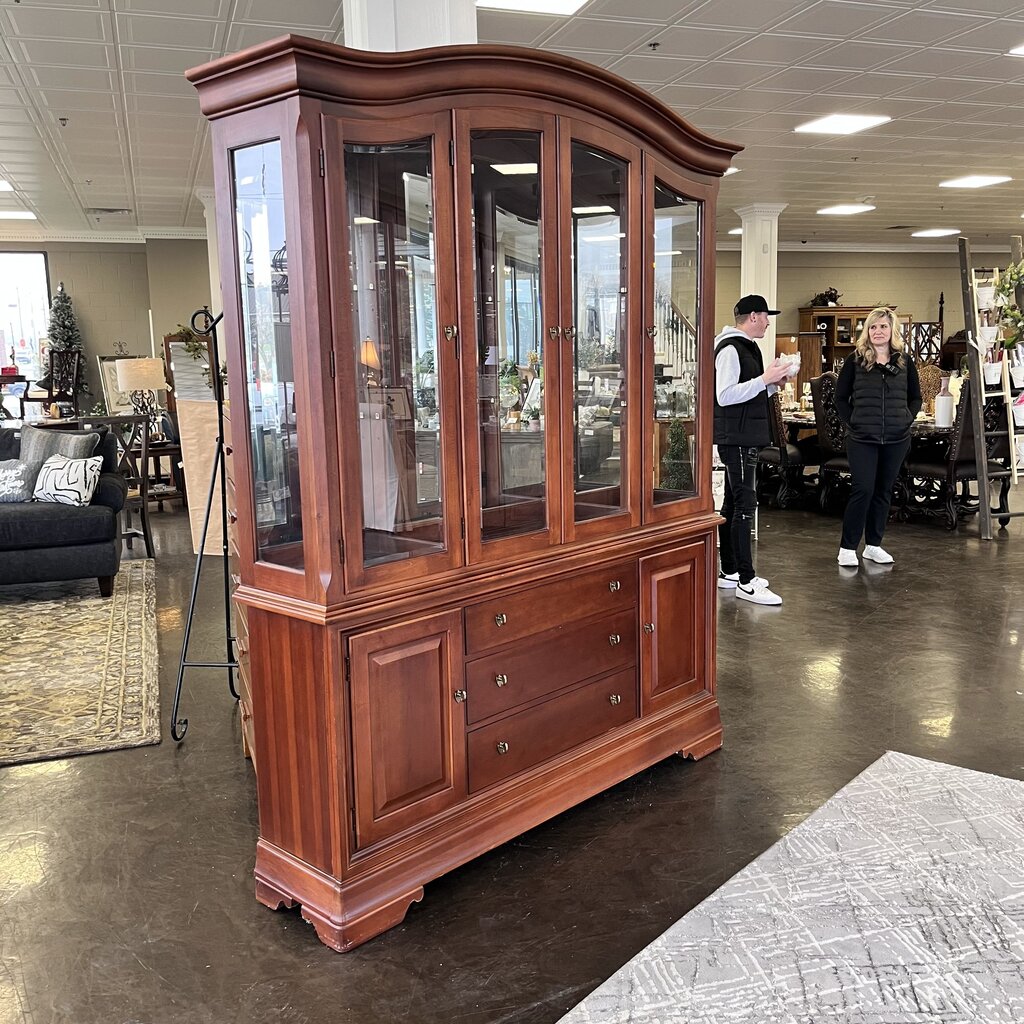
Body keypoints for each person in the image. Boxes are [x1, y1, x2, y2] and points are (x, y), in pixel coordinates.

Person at [714, 295, 792, 606]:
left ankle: (730, 571)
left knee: (733, 504)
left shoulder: (747, 347)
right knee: (745, 505)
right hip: (737, 437)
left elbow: (747, 391)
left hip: (743, 435)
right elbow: (724, 395)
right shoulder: (730, 349)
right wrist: (763, 379)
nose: (768, 322)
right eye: (765, 316)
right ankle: (746, 581)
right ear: (753, 316)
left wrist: (772, 383)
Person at [834, 306, 921, 567]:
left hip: (896, 438)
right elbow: (840, 398)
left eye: (883, 326)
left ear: (893, 330)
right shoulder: (855, 360)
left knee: (883, 491)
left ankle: (873, 545)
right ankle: (848, 547)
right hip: (862, 438)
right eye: (873, 326)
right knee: (863, 489)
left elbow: (916, 397)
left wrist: (906, 418)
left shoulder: (904, 361)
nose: (878, 331)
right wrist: (854, 421)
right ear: (867, 331)